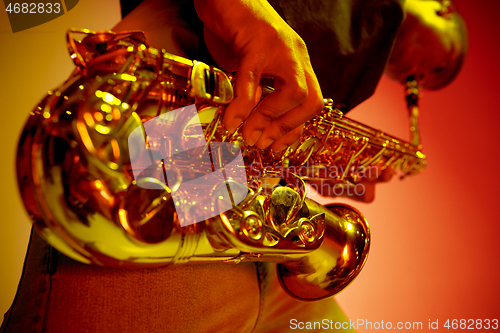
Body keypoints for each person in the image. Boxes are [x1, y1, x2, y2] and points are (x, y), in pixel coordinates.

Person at [1, 0, 466, 332]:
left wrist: (321, 164)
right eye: (439, 66)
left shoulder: (366, 45)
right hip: (170, 141)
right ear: (444, 8)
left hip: (257, 232)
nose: (419, 79)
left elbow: (256, 136)